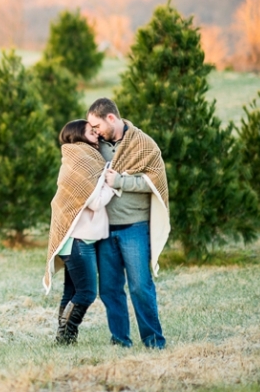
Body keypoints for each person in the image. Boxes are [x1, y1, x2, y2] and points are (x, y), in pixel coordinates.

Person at [86, 97, 170, 349]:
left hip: (134, 227)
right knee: (110, 289)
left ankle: (154, 340)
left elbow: (153, 183)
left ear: (111, 118)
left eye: (97, 126)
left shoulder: (143, 145)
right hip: (103, 229)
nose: (95, 132)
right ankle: (120, 340)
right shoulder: (95, 146)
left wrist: (121, 181)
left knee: (140, 286)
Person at [43, 119, 115, 345]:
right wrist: (112, 183)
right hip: (76, 240)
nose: (96, 134)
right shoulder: (82, 161)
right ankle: (66, 335)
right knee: (86, 293)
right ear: (79, 136)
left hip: (76, 238)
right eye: (91, 132)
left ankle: (64, 339)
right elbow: (95, 201)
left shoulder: (80, 157)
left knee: (71, 291)